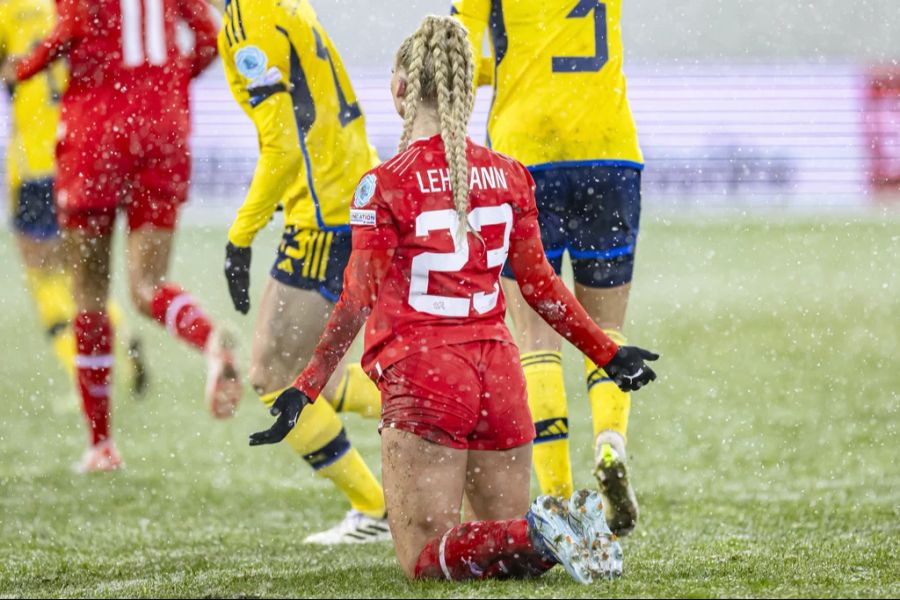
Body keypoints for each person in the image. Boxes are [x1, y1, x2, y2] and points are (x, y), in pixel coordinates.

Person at [249, 15, 659, 583]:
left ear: (400, 88)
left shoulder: (382, 183)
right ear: (469, 88)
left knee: (426, 559)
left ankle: (542, 529)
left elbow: (354, 300)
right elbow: (542, 288)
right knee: (501, 557)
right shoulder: (511, 174)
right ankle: (547, 531)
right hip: (500, 374)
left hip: (426, 379)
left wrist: (307, 384)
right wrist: (608, 355)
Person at [0, 0, 239, 472]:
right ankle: (211, 339)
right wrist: (168, 80)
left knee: (88, 293)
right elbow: (214, 38)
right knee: (147, 286)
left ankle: (102, 444)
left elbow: (62, 36)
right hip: (162, 130)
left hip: (96, 134)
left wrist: (22, 68)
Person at [452, 0, 647, 536]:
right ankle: (610, 440)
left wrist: (504, 64)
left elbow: (458, 54)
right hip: (609, 149)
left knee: (537, 338)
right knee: (605, 326)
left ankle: (561, 501)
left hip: (526, 150)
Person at [216, 0, 389, 544]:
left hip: (324, 219)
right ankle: (459, 418)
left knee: (273, 373)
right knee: (322, 375)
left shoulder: (246, 23)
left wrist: (240, 237)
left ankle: (378, 507)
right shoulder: (283, 5)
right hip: (350, 197)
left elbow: (285, 146)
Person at [0, 0, 148, 406]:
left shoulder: (10, 10)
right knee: (84, 272)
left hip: (34, 162)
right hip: (81, 153)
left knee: (44, 276)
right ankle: (121, 335)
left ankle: (82, 376)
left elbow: (13, 70)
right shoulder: (82, 7)